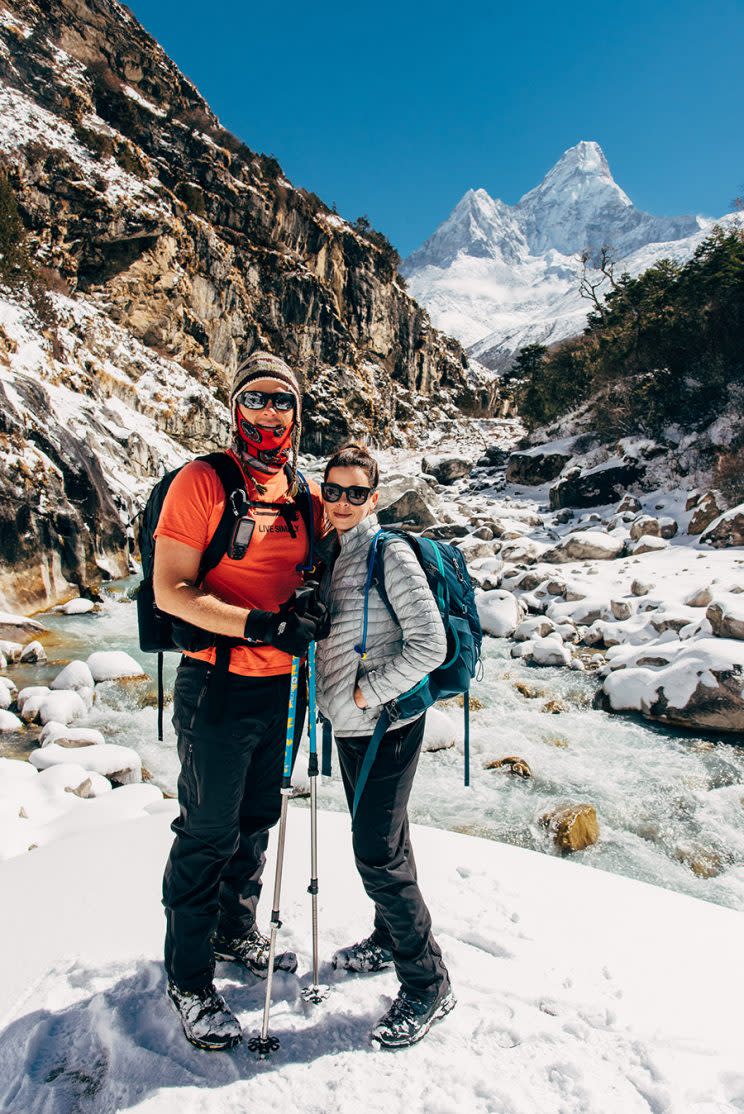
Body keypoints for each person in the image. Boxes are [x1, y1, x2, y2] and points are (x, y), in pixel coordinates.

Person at [153, 350, 327, 1051]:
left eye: (281, 401)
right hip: (217, 684)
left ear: (297, 411)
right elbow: (172, 588)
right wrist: (257, 624)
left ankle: (233, 930)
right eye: (255, 399)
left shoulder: (303, 494)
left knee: (256, 818)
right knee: (206, 831)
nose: (268, 413)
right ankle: (188, 977)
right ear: (234, 407)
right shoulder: (204, 482)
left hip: (282, 690)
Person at [314, 443, 455, 1049]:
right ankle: (386, 934)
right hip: (352, 725)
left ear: (373, 497)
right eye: (333, 490)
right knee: (387, 839)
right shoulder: (334, 551)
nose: (342, 502)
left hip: (387, 724)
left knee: (375, 850)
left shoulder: (386, 552)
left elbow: (432, 644)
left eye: (355, 492)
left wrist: (369, 693)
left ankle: (427, 981)